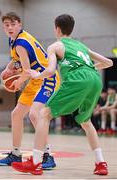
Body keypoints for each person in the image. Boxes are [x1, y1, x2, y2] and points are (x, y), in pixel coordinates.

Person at [11, 14, 113, 175]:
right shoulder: (82, 46)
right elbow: (109, 62)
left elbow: (51, 70)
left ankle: (36, 162)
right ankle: (101, 163)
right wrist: (90, 68)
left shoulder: (56, 46)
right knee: (86, 122)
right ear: (71, 29)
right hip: (95, 80)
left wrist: (37, 75)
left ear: (57, 29)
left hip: (77, 79)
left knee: (43, 114)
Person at [0, 12, 60, 169]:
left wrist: (17, 82)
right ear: (3, 28)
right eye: (6, 25)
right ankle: (15, 154)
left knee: (35, 115)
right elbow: (17, 62)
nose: (9, 27)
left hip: (47, 78)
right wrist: (7, 70)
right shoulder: (14, 39)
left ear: (19, 24)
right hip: (36, 79)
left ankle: (47, 155)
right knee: (16, 114)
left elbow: (25, 71)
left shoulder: (21, 43)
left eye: (12, 24)